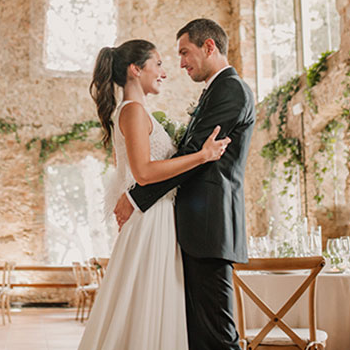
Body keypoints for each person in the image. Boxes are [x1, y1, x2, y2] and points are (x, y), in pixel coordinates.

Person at [78, 38, 231, 350]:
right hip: (151, 221)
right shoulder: (133, 111)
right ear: (136, 70)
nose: (164, 72)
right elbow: (144, 173)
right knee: (144, 306)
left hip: (158, 218)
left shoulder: (134, 111)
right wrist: (202, 155)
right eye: (158, 64)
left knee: (150, 306)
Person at [115, 18, 256, 350]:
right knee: (198, 337)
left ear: (209, 47)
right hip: (195, 230)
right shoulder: (215, 90)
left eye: (184, 52)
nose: (180, 64)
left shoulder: (231, 90)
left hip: (210, 228)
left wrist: (136, 198)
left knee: (219, 337)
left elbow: (196, 154)